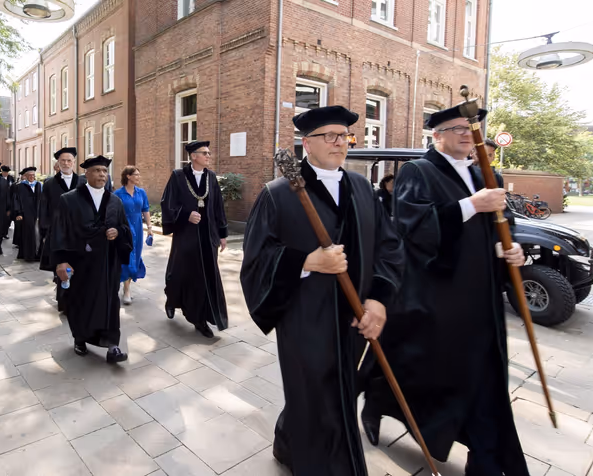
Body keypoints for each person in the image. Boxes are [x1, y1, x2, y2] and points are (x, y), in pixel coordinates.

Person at [361, 104, 529, 476]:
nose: (468, 134)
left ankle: (484, 460)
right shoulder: (419, 173)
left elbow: (504, 223)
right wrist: (471, 204)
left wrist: (510, 247)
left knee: (485, 380)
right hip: (438, 297)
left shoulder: (489, 173)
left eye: (471, 128)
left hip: (481, 299)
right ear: (436, 136)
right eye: (456, 129)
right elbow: (413, 227)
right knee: (430, 374)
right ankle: (376, 398)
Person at [241, 106, 403, 475]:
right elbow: (255, 259)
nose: (339, 142)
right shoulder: (278, 194)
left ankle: (287, 441)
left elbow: (389, 246)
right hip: (305, 320)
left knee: (337, 389)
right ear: (306, 144)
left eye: (344, 135)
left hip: (356, 317)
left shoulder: (362, 188)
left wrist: (379, 298)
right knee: (315, 393)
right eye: (328, 135)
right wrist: (306, 261)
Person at [48, 155, 133, 363]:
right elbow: (59, 232)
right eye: (96, 170)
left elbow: (124, 228)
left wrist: (117, 232)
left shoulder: (115, 201)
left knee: (110, 303)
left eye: (104, 171)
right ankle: (80, 339)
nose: (101, 175)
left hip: (107, 264)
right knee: (81, 302)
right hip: (80, 263)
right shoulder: (69, 199)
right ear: (86, 173)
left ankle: (112, 345)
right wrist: (61, 261)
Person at [161, 140, 229, 338]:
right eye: (205, 153)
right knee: (180, 272)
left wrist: (223, 234)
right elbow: (168, 203)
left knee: (204, 276)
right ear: (193, 156)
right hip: (186, 236)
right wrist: (185, 215)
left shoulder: (211, 177)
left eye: (209, 153)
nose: (209, 156)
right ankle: (172, 300)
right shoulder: (178, 176)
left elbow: (218, 206)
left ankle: (200, 319)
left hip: (208, 236)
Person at [40, 148, 81, 312]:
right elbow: (44, 208)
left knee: (77, 267)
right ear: (58, 163)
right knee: (60, 267)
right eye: (63, 160)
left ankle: (76, 301)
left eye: (69, 160)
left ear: (74, 162)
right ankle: (63, 303)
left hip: (78, 232)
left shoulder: (82, 182)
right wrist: (45, 231)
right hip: (57, 233)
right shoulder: (50, 183)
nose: (66, 163)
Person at [114, 166, 153, 305]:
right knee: (127, 257)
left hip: (138, 227)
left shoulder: (141, 192)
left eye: (138, 174)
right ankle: (126, 289)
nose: (138, 177)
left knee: (135, 256)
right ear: (128, 176)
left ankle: (126, 287)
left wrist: (149, 227)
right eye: (136, 174)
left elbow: (146, 209)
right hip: (124, 228)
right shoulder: (118, 193)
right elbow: (114, 212)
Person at [13, 167, 43, 261]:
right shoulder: (20, 186)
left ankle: (38, 254)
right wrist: (18, 213)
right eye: (29, 175)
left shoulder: (39, 185)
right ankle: (28, 255)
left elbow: (44, 199)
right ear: (25, 176)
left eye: (33, 175)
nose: (31, 177)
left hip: (38, 212)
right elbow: (16, 200)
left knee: (38, 234)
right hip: (26, 213)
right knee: (27, 234)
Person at [0, 166, 15, 239]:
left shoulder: (11, 178)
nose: (5, 174)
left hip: (9, 200)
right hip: (0, 201)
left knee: (7, 219)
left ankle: (5, 233)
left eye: (6, 172)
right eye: (4, 172)